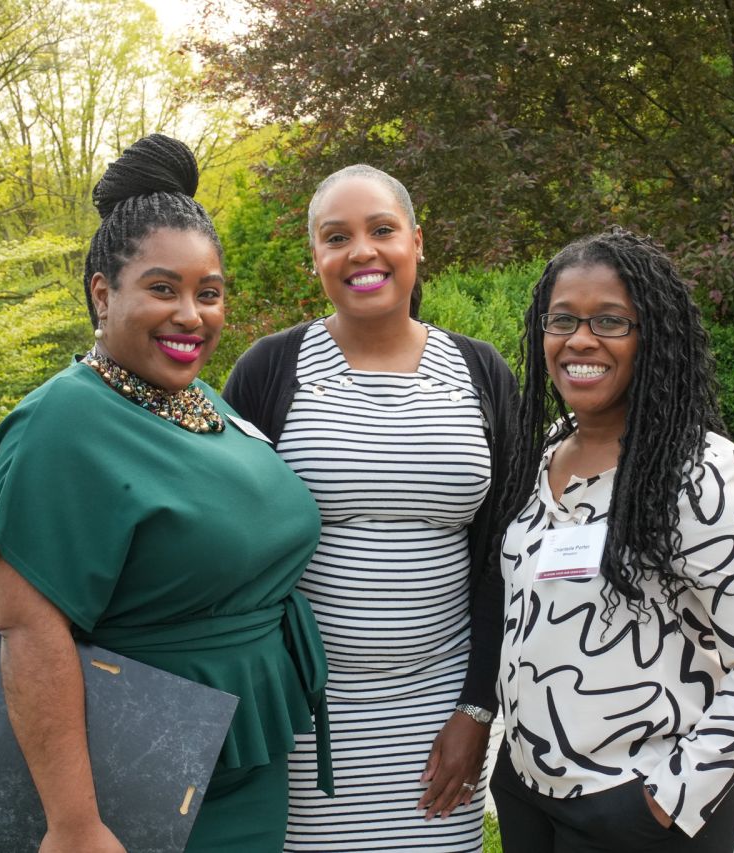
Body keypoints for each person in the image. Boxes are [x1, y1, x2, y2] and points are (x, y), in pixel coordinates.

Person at [0, 135, 330, 853]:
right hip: (130, 771)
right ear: (102, 293)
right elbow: (27, 631)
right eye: (163, 289)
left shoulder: (201, 400)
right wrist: (75, 825)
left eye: (209, 293)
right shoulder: (62, 422)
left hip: (240, 751)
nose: (192, 315)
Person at [223, 164, 516, 851]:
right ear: (315, 257)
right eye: (336, 237)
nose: (362, 251)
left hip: (441, 706)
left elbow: (505, 553)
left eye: (382, 230)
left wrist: (477, 709)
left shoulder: (480, 372)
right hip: (305, 713)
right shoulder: (270, 370)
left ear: (417, 242)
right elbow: (228, 543)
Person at [491, 229, 734, 851]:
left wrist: (671, 797)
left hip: (635, 804)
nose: (580, 340)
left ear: (653, 336)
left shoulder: (698, 472)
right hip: (527, 788)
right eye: (562, 320)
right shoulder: (542, 451)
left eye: (610, 321)